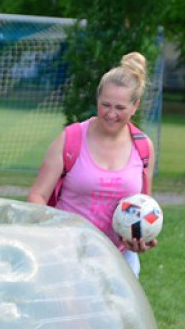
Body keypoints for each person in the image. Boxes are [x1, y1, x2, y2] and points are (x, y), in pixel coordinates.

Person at [27, 52, 158, 276]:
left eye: (120, 108)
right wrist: (51, 234)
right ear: (97, 99)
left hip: (119, 260)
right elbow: (37, 195)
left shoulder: (143, 148)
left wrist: (141, 237)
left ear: (135, 106)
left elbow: (143, 205)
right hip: (65, 255)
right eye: (105, 104)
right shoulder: (71, 138)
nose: (110, 114)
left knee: (116, 313)